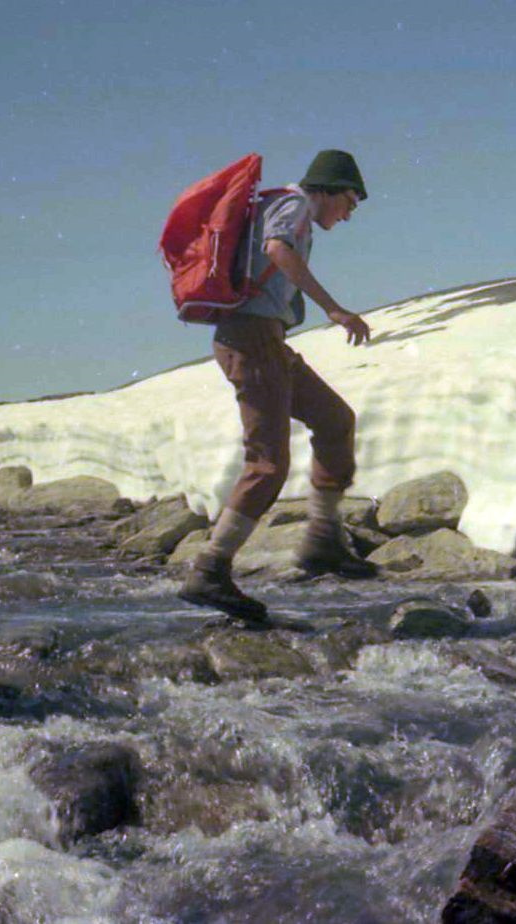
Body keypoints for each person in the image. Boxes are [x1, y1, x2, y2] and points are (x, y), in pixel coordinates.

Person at [178, 149, 377, 626]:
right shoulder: (294, 206)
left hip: (267, 340)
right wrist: (332, 307)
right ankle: (209, 570)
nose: (349, 214)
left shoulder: (292, 209)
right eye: (350, 201)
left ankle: (323, 542)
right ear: (326, 190)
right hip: (251, 339)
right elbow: (276, 249)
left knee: (335, 420)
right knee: (267, 465)